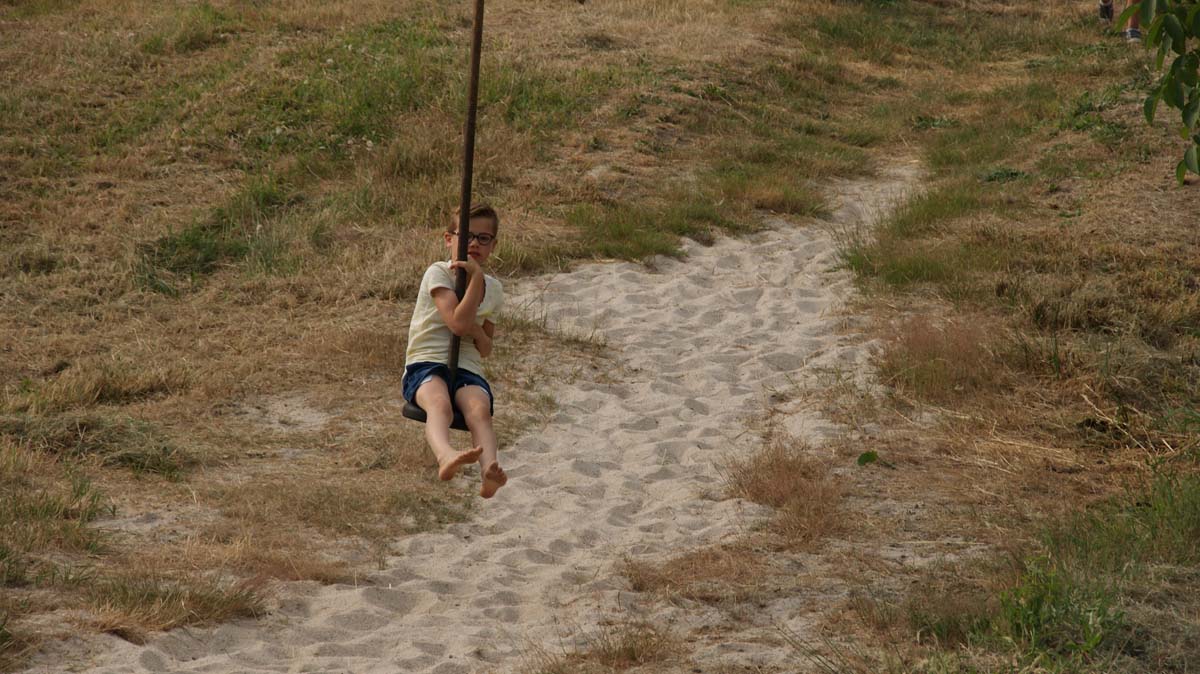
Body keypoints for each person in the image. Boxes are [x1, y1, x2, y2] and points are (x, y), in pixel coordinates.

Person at [402, 203, 507, 498]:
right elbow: (459, 325)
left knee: (480, 410)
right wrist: (475, 280)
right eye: (467, 236)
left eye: (483, 238)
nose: (474, 243)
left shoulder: (494, 289)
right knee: (440, 404)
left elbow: (485, 347)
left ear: (493, 245)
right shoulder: (438, 272)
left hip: (467, 367)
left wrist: (477, 330)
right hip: (427, 362)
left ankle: (489, 470)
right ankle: (445, 455)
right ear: (449, 239)